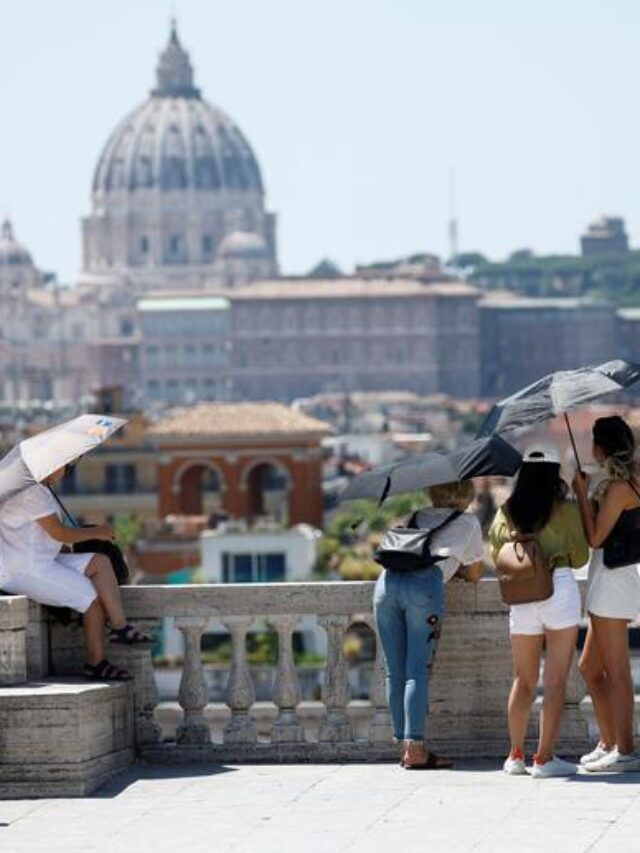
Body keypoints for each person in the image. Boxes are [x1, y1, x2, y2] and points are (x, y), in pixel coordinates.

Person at [489, 444, 588, 778]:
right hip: (557, 586)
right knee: (556, 680)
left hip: (521, 593)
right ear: (554, 472)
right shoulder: (567, 509)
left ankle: (514, 755)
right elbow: (581, 558)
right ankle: (544, 758)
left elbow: (496, 554)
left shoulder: (505, 510)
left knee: (524, 679)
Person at [0, 466, 152, 681]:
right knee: (91, 597)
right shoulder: (32, 492)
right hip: (26, 569)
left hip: (40, 559)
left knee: (100, 562)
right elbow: (61, 533)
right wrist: (99, 531)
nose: (66, 470)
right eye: (66, 466)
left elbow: (38, 533)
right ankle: (96, 663)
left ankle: (120, 627)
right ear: (52, 465)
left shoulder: (34, 490)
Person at [374, 480, 484, 770]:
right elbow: (474, 572)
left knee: (394, 671)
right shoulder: (468, 521)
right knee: (417, 672)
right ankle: (416, 749)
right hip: (423, 588)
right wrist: (456, 566)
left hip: (385, 587)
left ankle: (403, 745)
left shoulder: (414, 516)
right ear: (466, 494)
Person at [572, 415, 640, 773]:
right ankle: (609, 740)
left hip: (614, 579)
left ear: (600, 447)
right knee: (589, 667)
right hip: (607, 576)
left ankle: (626, 748)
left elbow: (595, 538)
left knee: (616, 671)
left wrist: (582, 495)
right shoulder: (621, 482)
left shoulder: (619, 488)